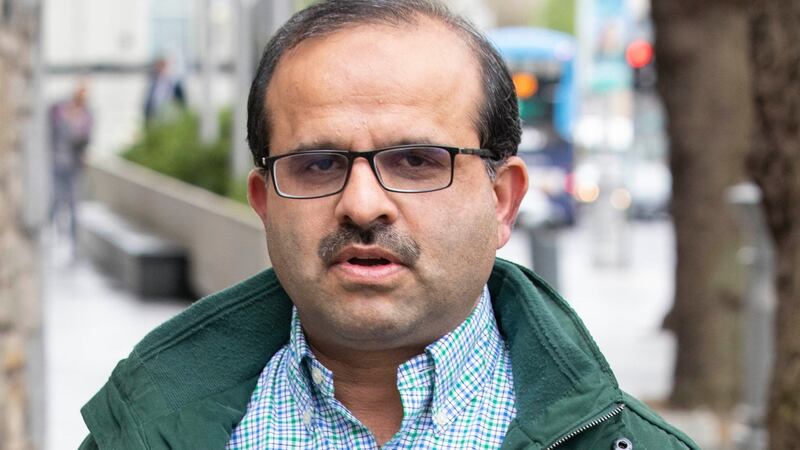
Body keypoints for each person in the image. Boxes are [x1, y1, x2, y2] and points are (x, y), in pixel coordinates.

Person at [79, 1, 699, 449]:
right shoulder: (141, 429)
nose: (363, 204)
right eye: (319, 164)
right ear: (264, 202)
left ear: (502, 201)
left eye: (416, 160)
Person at [49, 82, 92, 250]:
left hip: (74, 165)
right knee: (56, 199)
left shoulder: (86, 117)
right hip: (58, 162)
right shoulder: (60, 111)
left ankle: (74, 242)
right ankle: (56, 234)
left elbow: (86, 140)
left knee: (73, 202)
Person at [143, 56, 186, 124]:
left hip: (171, 119)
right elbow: (149, 103)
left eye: (161, 66)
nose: (159, 69)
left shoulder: (174, 84)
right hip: (155, 119)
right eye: (158, 66)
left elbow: (182, 103)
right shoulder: (153, 83)